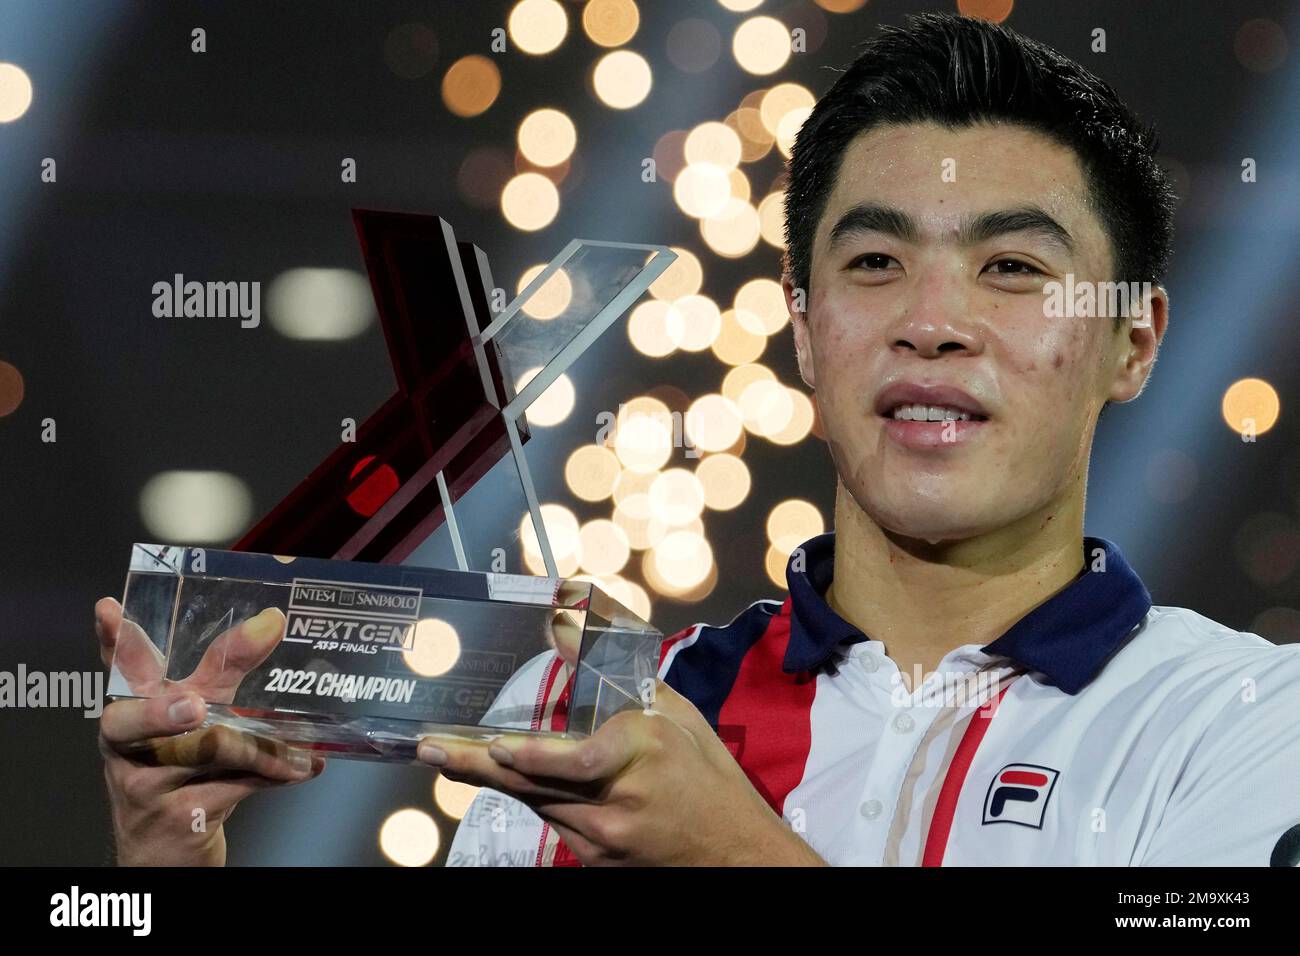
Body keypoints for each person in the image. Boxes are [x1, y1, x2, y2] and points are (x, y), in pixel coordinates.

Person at [94, 12, 1300, 867]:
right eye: (875, 263)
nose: (932, 322)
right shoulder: (581, 721)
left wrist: (730, 855)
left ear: (1134, 340)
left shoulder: (1246, 722)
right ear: (805, 332)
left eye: (1012, 268)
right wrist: (167, 859)